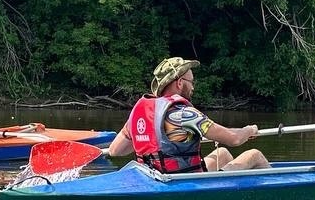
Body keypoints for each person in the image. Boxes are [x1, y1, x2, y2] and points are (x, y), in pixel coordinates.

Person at [107, 57, 270, 173]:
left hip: (154, 177)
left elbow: (115, 150)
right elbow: (234, 139)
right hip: (184, 181)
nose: (193, 87)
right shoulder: (185, 115)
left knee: (223, 154)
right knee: (254, 155)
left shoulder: (138, 114)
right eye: (191, 82)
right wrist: (249, 129)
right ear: (179, 83)